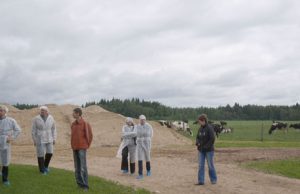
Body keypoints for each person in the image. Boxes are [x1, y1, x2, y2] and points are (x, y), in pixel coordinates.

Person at [71, 107, 93, 191]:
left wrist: (87, 145)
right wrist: (72, 145)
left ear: (78, 114)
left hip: (82, 147)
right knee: (77, 167)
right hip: (74, 147)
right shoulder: (73, 124)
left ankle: (85, 186)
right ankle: (79, 184)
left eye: (73, 113)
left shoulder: (85, 124)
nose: (72, 114)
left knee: (83, 167)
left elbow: (90, 135)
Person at [32, 106, 57, 174]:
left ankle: (45, 166)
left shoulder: (51, 118)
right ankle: (42, 170)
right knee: (40, 154)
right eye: (41, 110)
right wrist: (34, 139)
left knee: (50, 152)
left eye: (43, 110)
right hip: (40, 138)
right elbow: (33, 130)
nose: (42, 111)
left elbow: (54, 128)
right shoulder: (36, 118)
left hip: (49, 137)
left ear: (47, 111)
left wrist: (54, 138)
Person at [0, 105, 21, 186]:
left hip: (5, 142)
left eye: (1, 110)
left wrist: (11, 137)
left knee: (5, 161)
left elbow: (18, 130)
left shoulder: (11, 120)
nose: (0, 112)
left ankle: (5, 179)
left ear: (5, 112)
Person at [195, 114, 217, 185]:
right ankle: (201, 181)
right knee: (201, 165)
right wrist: (197, 142)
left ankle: (213, 180)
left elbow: (212, 139)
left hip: (209, 151)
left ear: (203, 120)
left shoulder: (209, 128)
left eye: (199, 122)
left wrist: (206, 147)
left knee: (210, 165)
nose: (199, 123)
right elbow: (197, 137)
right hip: (201, 151)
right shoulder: (200, 128)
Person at [136, 115, 153, 179]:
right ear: (139, 120)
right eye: (141, 120)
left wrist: (147, 140)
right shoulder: (137, 126)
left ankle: (148, 170)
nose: (142, 121)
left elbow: (151, 134)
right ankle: (140, 174)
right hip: (140, 142)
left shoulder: (149, 126)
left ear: (145, 120)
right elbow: (135, 134)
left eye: (143, 120)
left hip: (147, 142)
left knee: (147, 156)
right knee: (140, 157)